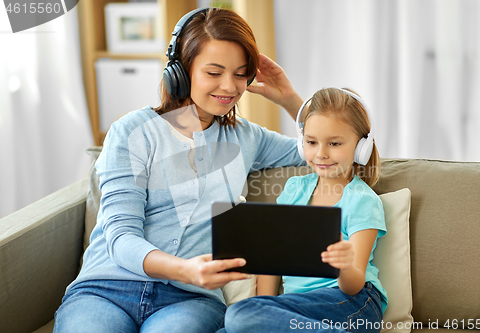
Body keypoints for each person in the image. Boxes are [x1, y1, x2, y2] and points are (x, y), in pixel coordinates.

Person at [53, 7, 304, 333]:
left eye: (241, 73)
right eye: (214, 72)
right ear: (180, 72)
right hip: (107, 289)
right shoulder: (132, 131)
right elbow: (121, 236)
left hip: (189, 300)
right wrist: (184, 269)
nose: (230, 87)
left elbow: (345, 153)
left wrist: (290, 98)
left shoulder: (247, 138)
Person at [221, 87, 387, 333]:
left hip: (354, 302)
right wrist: (266, 307)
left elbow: (354, 284)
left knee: (240, 316)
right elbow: (272, 259)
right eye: (311, 142)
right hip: (298, 309)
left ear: (361, 146)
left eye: (334, 143)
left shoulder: (362, 200)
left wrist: (343, 265)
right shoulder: (294, 189)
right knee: (236, 323)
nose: (321, 153)